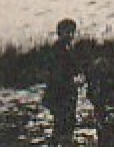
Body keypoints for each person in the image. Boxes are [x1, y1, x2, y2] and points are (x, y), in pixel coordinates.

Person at [41, 18, 81, 146]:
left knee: (65, 124)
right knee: (63, 124)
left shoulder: (67, 48)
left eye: (72, 32)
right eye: (67, 32)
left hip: (66, 92)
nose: (70, 35)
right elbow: (57, 74)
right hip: (60, 93)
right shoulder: (58, 50)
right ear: (60, 33)